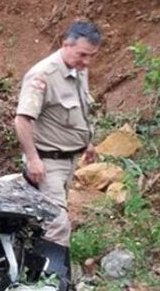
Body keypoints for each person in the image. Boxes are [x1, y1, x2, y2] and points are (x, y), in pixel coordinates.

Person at [14, 21, 101, 250]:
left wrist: (87, 143)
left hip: (69, 161)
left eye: (91, 56)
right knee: (57, 224)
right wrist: (33, 160)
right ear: (66, 45)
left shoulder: (78, 70)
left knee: (45, 218)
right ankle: (51, 281)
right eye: (82, 54)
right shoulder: (42, 76)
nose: (87, 61)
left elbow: (78, 110)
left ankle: (33, 261)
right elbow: (22, 120)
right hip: (47, 162)